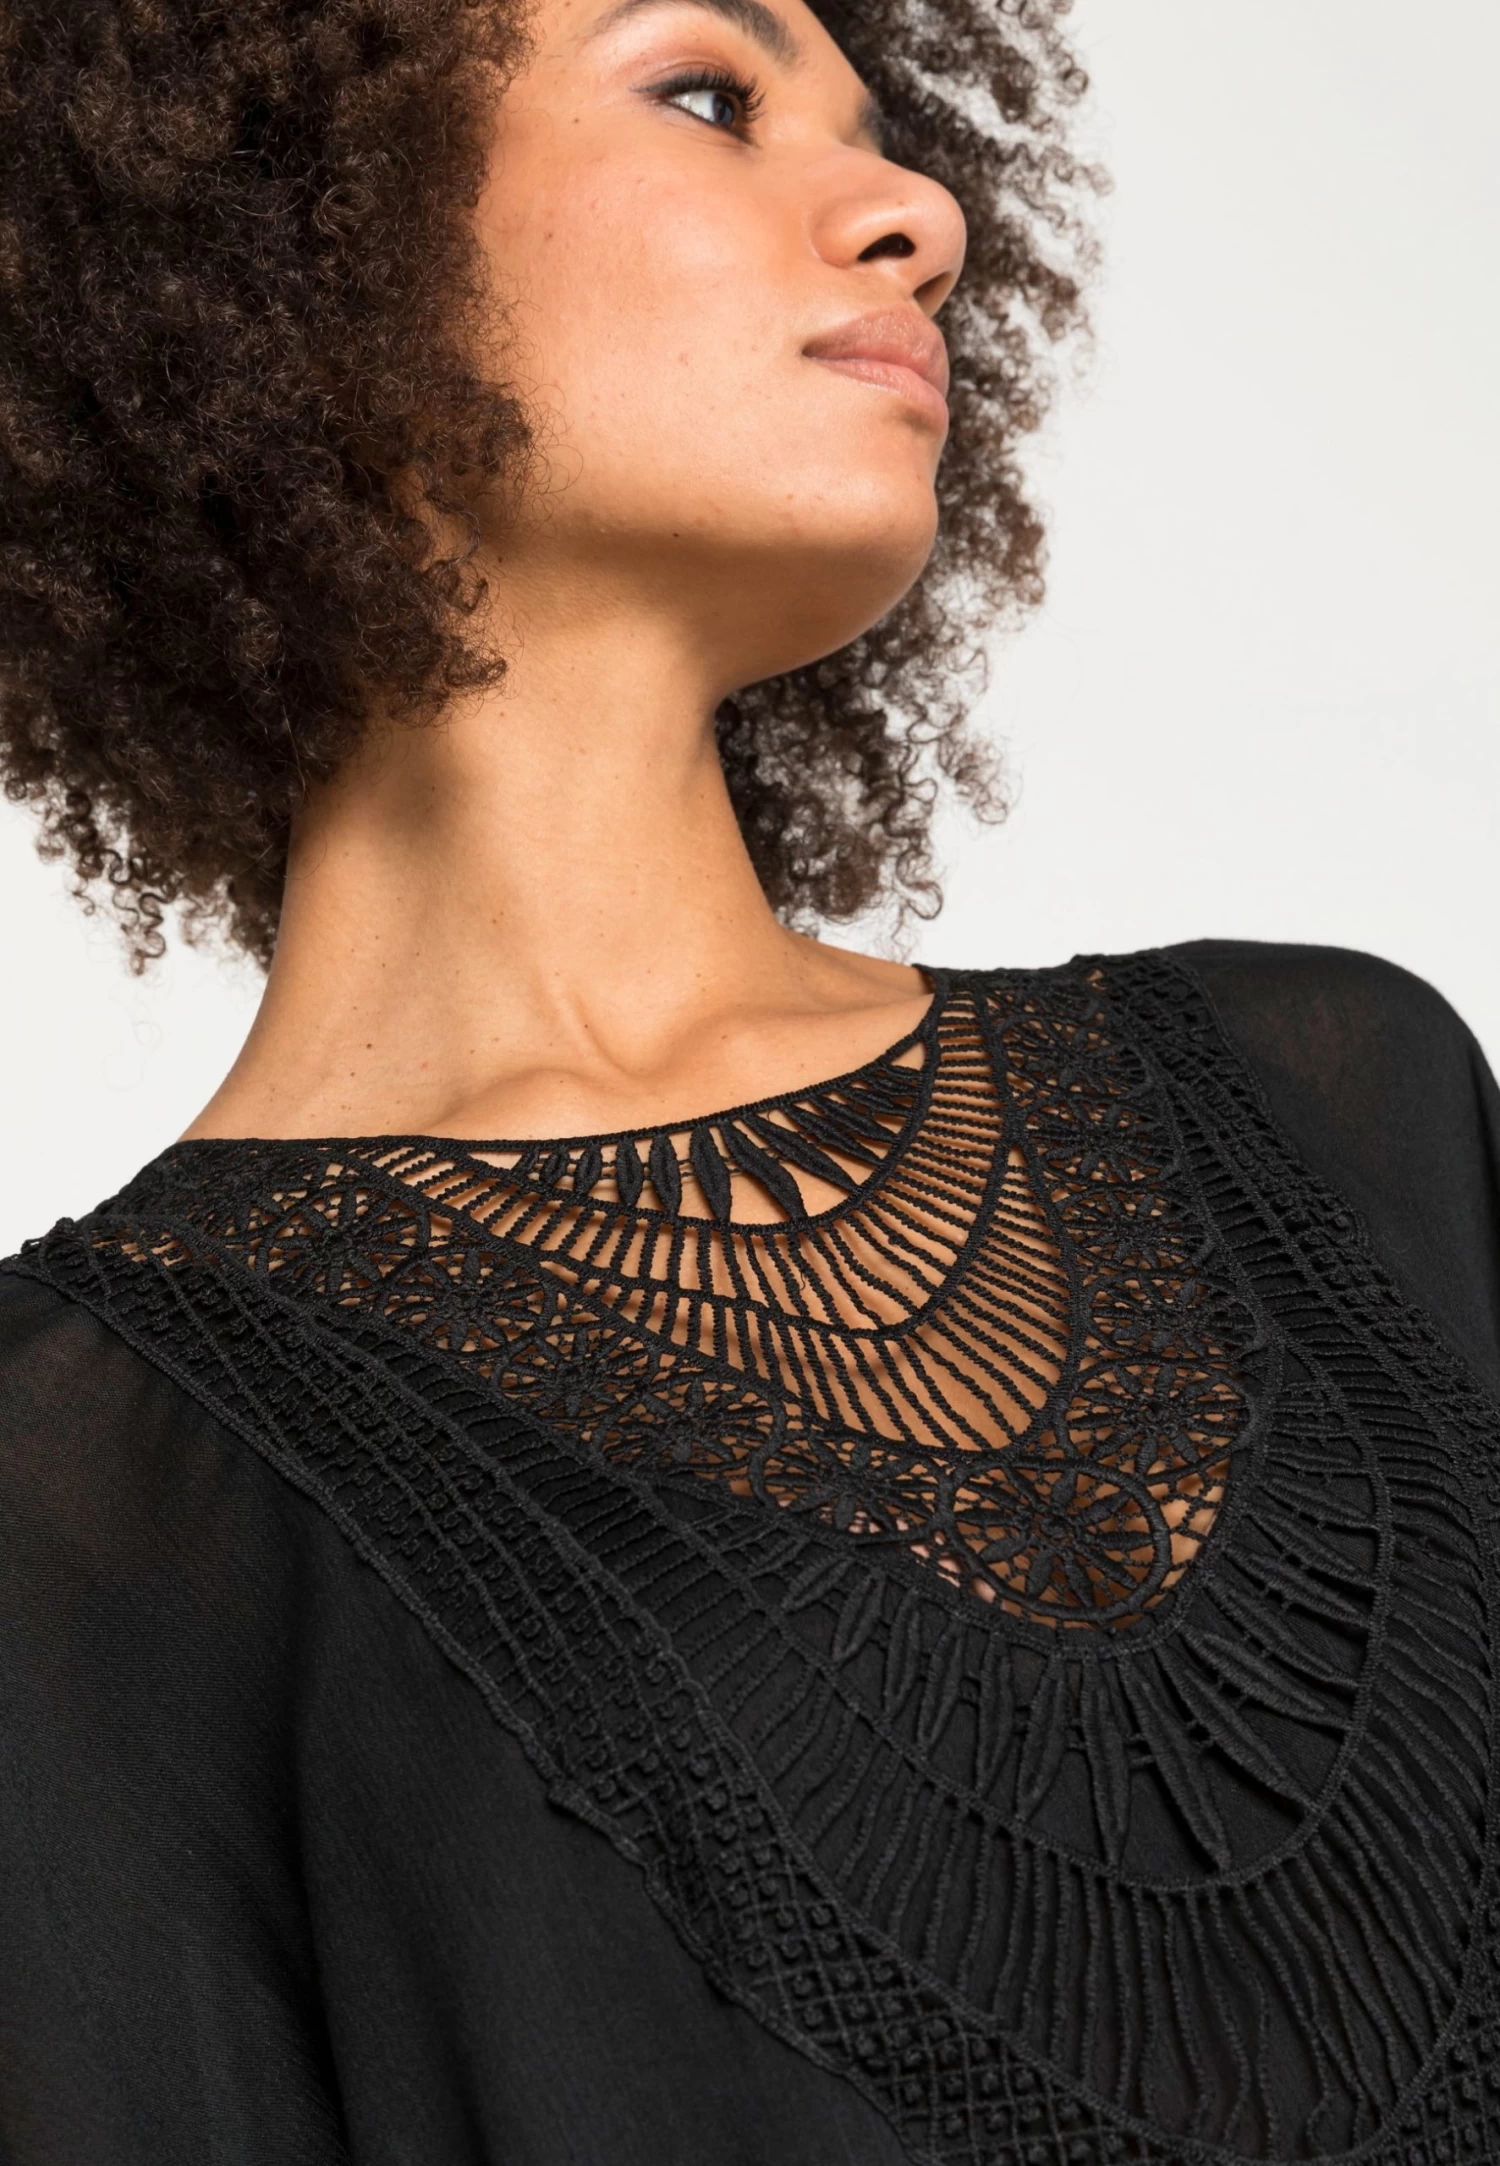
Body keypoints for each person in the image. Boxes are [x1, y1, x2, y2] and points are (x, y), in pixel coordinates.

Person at [2, 1, 1498, 2160]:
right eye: (708, 95)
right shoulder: (82, 1498)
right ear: (294, 236)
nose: (922, 217)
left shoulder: (1335, 1104)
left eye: (883, 128)